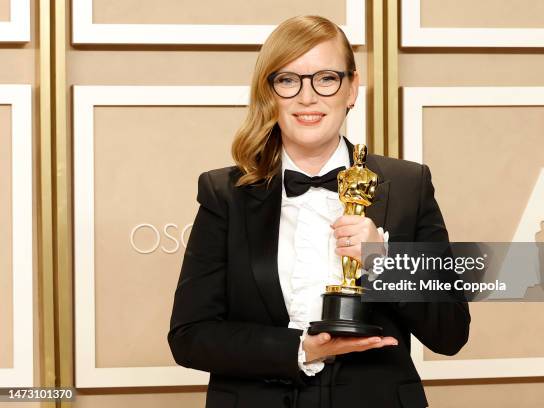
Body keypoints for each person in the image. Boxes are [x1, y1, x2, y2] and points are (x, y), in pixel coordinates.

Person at [168, 15, 470, 408]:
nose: (307, 98)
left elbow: (451, 334)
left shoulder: (409, 185)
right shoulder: (224, 192)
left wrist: (385, 262)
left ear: (352, 88)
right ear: (269, 92)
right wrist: (300, 350)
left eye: (326, 78)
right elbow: (190, 336)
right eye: (288, 80)